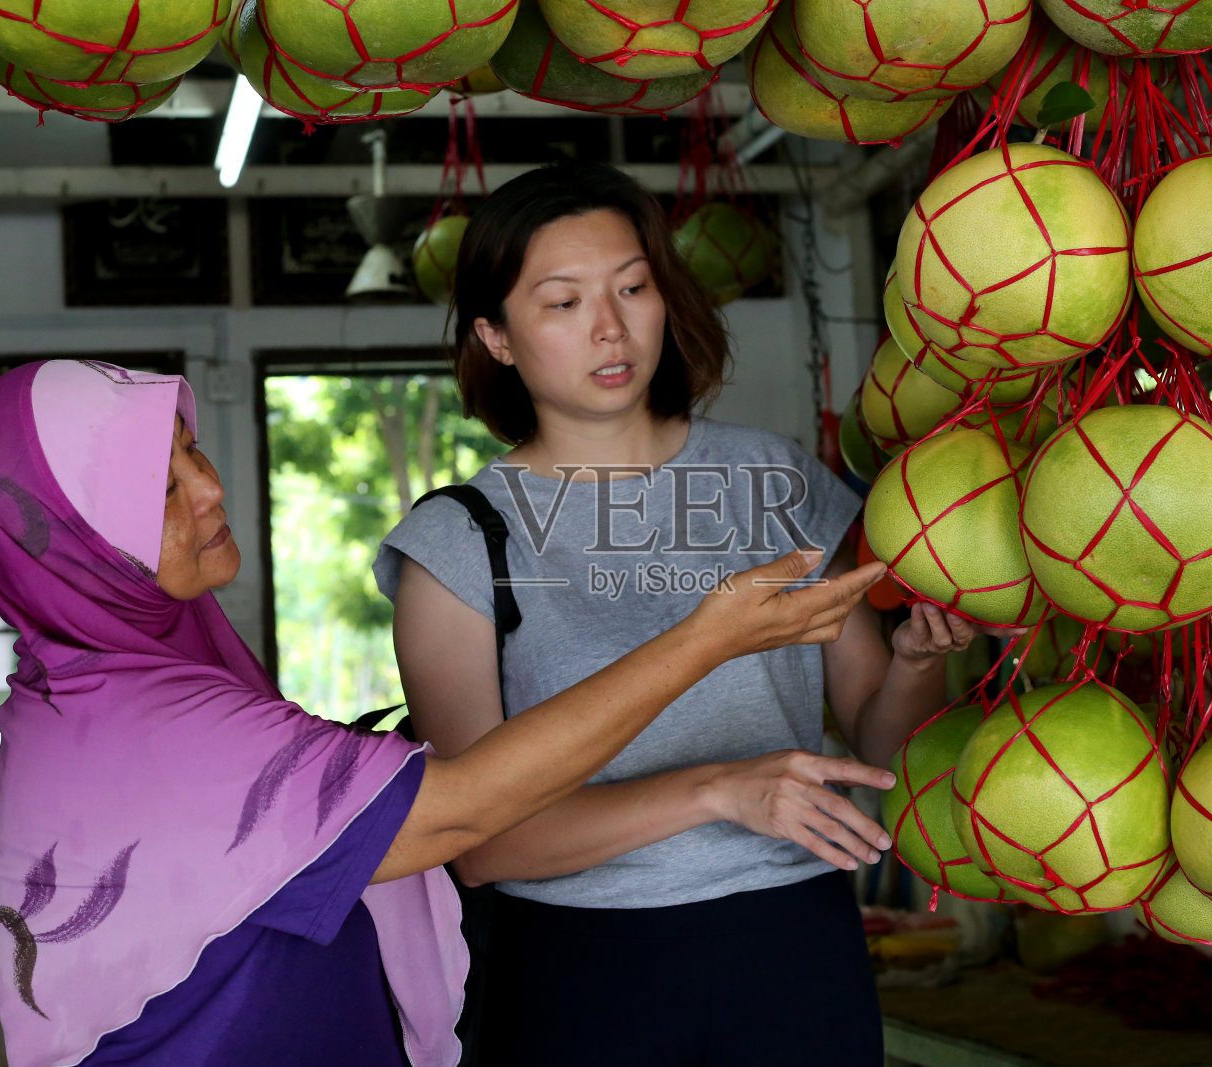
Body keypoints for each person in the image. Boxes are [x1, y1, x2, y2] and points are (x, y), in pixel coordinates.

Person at [0, 358, 884, 1067]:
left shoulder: (77, 682)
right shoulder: (145, 726)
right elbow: (465, 810)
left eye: (190, 449)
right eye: (158, 488)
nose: (209, 486)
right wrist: (705, 639)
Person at [376, 161, 991, 1067]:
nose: (611, 326)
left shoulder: (773, 482)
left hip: (796, 944)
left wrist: (912, 659)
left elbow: (878, 747)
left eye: (634, 286)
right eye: (562, 302)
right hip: (583, 969)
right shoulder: (461, 542)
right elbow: (483, 841)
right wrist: (715, 789)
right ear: (496, 337)